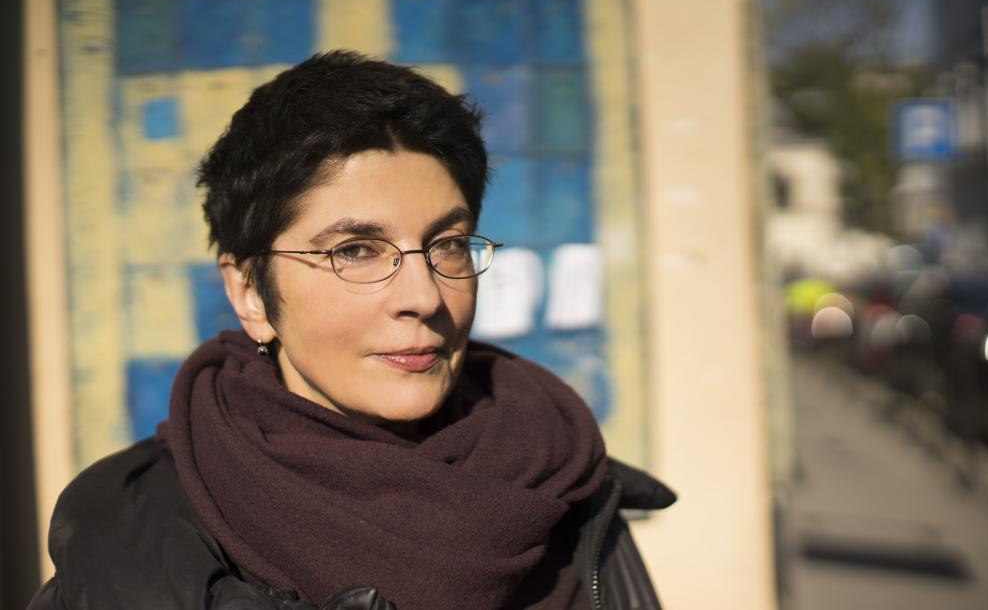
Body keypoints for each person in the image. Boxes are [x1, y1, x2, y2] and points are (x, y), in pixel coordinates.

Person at [30, 50, 674, 610]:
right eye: (356, 250)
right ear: (250, 292)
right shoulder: (136, 537)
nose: (424, 297)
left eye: (448, 244)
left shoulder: (563, 482)